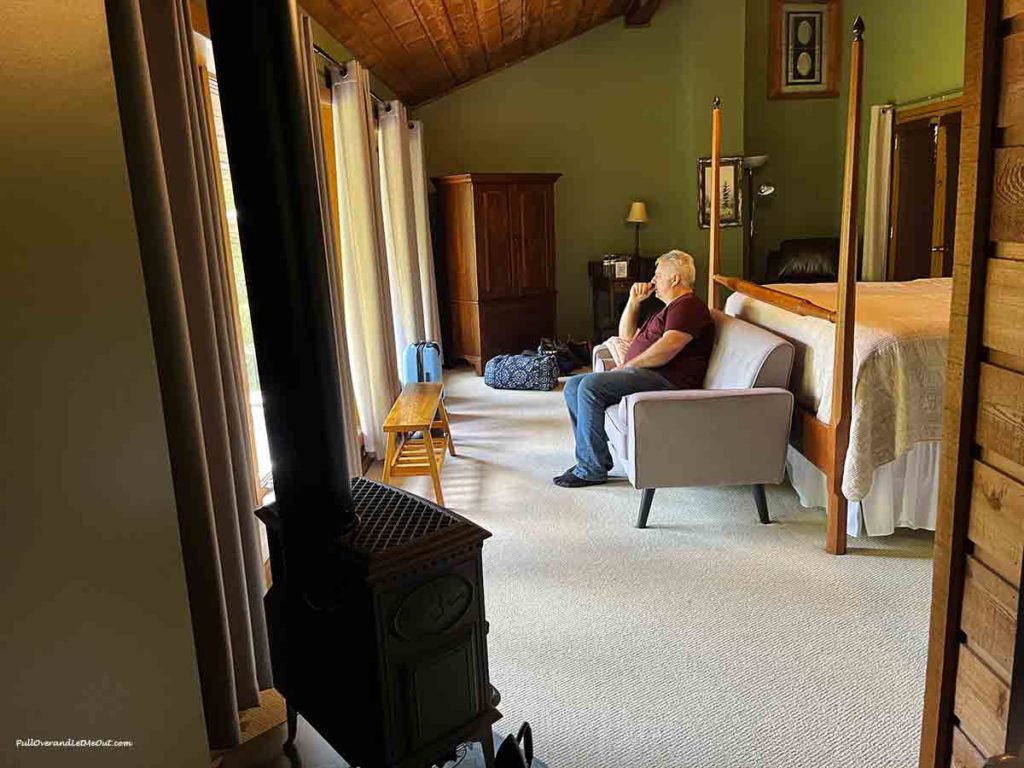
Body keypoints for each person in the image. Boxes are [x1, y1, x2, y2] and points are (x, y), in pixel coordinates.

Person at [554, 249, 715, 488]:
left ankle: (591, 469)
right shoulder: (666, 309)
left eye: (659, 275)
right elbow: (626, 336)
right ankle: (591, 458)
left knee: (589, 386)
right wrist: (633, 302)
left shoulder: (687, 306)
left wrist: (627, 367)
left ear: (675, 279)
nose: (653, 281)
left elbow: (668, 348)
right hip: (649, 374)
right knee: (574, 386)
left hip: (667, 379)